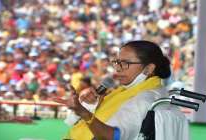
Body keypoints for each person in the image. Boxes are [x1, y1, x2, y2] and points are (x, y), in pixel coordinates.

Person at [57, 40, 187, 140]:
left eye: (125, 63)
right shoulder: (127, 91)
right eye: (117, 62)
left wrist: (85, 114)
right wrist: (90, 107)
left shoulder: (144, 97)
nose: (118, 68)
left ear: (148, 69)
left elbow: (114, 136)